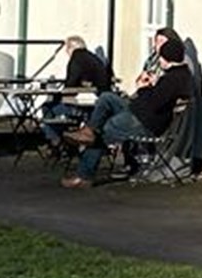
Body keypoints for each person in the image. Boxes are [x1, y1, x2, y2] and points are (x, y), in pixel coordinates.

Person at [64, 35, 193, 187]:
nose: (159, 60)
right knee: (106, 98)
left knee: (102, 130)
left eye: (161, 57)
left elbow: (154, 104)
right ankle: (89, 130)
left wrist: (143, 88)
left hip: (145, 122)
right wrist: (153, 85)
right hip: (139, 111)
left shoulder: (173, 79)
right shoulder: (178, 75)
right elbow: (158, 97)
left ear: (168, 58)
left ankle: (84, 175)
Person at [40, 35, 114, 145]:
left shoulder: (77, 59)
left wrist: (58, 93)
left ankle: (55, 140)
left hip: (83, 107)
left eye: (67, 50)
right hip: (98, 104)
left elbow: (70, 86)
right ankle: (64, 139)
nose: (67, 53)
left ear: (71, 48)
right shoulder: (94, 59)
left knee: (48, 107)